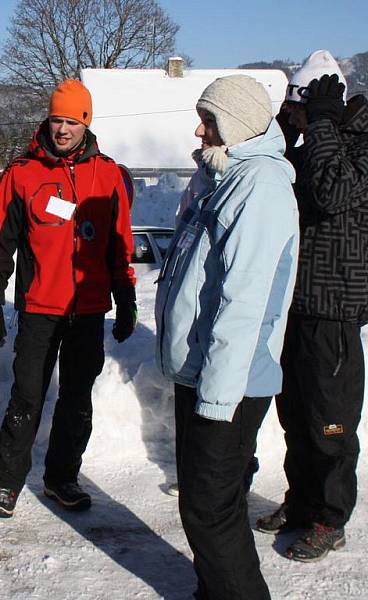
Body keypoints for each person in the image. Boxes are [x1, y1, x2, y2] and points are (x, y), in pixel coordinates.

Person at [155, 75, 299, 599]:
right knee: (205, 502)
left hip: (230, 381)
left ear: (235, 125)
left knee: (210, 509)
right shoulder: (222, 177)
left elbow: (245, 304)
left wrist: (217, 400)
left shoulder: (260, 188)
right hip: (203, 369)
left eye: (209, 121)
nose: (198, 130)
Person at [0, 79, 137, 518]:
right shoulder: (22, 173)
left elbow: (120, 244)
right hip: (38, 309)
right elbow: (1, 240)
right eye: (56, 119)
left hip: (87, 312)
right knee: (27, 396)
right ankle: (6, 483)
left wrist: (125, 298)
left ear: (85, 123)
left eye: (71, 121)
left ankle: (61, 478)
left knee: (76, 397)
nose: (62, 129)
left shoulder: (108, 175)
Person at [256, 50, 368, 563]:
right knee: (295, 420)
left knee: (331, 425)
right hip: (295, 306)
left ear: (325, 108)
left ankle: (331, 516)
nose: (296, 119)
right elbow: (273, 181)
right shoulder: (310, 144)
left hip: (335, 309)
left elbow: (332, 192)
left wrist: (319, 125)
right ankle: (301, 503)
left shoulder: (358, 146)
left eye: (300, 110)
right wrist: (278, 132)